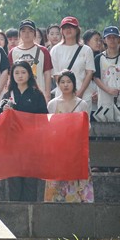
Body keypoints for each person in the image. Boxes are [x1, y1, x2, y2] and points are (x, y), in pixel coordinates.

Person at [0, 60, 49, 202]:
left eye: (23, 72)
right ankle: (15, 211)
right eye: (16, 73)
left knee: (30, 182)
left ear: (29, 74)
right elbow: (0, 122)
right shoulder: (7, 95)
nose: (20, 76)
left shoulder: (37, 94)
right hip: (13, 145)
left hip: (31, 144)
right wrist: (4, 112)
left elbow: (43, 118)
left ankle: (30, 212)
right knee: (14, 182)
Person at [44, 70, 94, 203]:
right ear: (58, 84)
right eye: (62, 82)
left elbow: (87, 126)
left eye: (68, 82)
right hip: (58, 149)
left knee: (78, 181)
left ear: (74, 84)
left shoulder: (82, 104)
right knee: (56, 183)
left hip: (76, 148)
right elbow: (48, 127)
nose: (65, 85)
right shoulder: (52, 104)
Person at [49, 16, 95, 100]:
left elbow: (89, 73)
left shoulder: (86, 50)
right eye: (65, 27)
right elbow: (56, 74)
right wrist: (67, 92)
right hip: (62, 97)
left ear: (77, 30)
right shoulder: (55, 50)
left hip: (83, 96)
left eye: (71, 27)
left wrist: (80, 92)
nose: (68, 30)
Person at [10, 19, 53, 103]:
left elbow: (47, 74)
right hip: (19, 95)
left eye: (30, 31)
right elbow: (10, 76)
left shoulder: (43, 51)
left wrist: (47, 95)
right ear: (19, 33)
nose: (27, 34)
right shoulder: (13, 52)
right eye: (23, 31)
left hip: (39, 95)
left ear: (34, 33)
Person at [93, 26, 120, 122]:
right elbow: (96, 77)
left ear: (119, 39)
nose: (112, 40)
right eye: (109, 37)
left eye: (115, 37)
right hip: (105, 99)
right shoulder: (99, 58)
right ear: (104, 40)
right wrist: (108, 89)